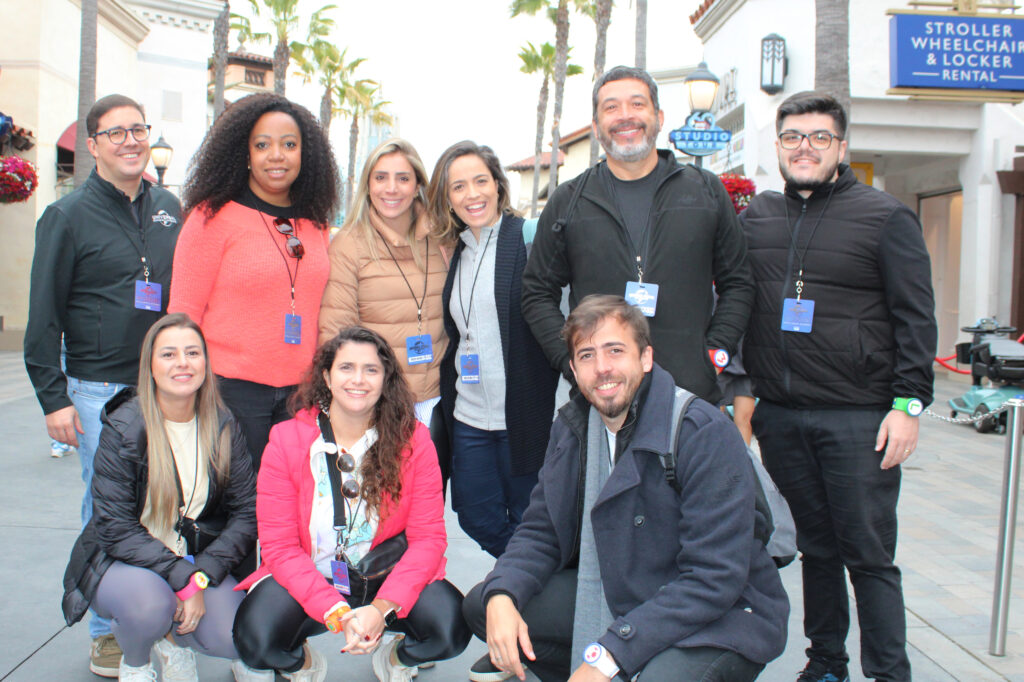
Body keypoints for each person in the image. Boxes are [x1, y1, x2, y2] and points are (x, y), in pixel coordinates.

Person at [463, 295, 789, 682]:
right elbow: (542, 530)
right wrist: (502, 594)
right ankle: (576, 663)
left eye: (615, 350)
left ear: (646, 358)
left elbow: (714, 578)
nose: (602, 368)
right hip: (625, 587)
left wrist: (609, 654)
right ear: (573, 368)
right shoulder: (573, 429)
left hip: (721, 611)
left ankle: (621, 665)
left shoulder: (701, 432)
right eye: (586, 355)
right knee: (483, 605)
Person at [741, 91, 937, 682]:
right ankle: (826, 663)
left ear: (842, 147)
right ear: (777, 146)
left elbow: (917, 318)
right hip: (782, 416)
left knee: (870, 558)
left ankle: (889, 674)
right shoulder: (758, 220)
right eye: (793, 137)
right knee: (818, 551)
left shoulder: (885, 216)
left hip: (860, 420)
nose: (805, 148)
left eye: (819, 137)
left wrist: (907, 404)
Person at [25, 93, 182, 676]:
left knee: (165, 507)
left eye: (138, 130)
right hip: (97, 391)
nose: (131, 141)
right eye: (115, 133)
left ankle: (155, 616)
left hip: (168, 389)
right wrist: (53, 397)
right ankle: (104, 629)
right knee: (107, 509)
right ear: (92, 146)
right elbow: (42, 314)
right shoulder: (65, 217)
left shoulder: (169, 207)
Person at [232, 326, 471, 682]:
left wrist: (379, 608)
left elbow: (428, 540)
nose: (358, 380)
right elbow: (279, 548)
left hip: (383, 576)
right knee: (255, 642)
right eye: (346, 368)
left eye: (371, 369)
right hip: (312, 574)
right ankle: (302, 663)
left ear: (386, 377)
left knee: (451, 629)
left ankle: (398, 658)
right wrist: (335, 611)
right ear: (326, 376)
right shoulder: (286, 441)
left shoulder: (415, 441)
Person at [521, 65, 754, 404]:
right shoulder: (569, 201)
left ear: (658, 116)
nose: (625, 116)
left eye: (637, 104)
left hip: (690, 395)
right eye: (611, 107)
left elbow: (739, 282)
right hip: (602, 399)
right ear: (597, 125)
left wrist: (715, 355)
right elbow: (536, 292)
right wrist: (574, 363)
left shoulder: (704, 191)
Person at [61, 313, 258, 682]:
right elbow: (115, 527)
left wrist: (200, 576)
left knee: (235, 636)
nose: (182, 363)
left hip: (192, 559)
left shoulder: (223, 425)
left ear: (205, 363)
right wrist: (183, 579)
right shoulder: (126, 427)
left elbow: (247, 514)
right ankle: (135, 660)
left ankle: (173, 642)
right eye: (168, 354)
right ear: (149, 366)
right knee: (151, 607)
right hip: (125, 560)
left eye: (192, 353)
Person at [169, 92, 340, 470]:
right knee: (237, 513)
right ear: (244, 153)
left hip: (303, 395)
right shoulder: (211, 217)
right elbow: (182, 317)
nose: (276, 155)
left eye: (289, 144)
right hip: (229, 392)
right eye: (262, 145)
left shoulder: (316, 223)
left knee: (289, 512)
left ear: (304, 153)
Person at [427, 140, 557, 553]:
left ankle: (518, 596)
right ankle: (518, 576)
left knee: (528, 516)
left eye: (481, 181)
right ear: (447, 199)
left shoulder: (527, 240)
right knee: (474, 514)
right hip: (468, 417)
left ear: (499, 186)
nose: (472, 194)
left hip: (520, 417)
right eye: (458, 187)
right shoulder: (460, 251)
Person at [318, 138, 448, 425]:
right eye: (381, 178)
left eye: (403, 178)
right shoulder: (349, 245)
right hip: (377, 403)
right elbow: (336, 333)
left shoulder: (441, 240)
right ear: (368, 185)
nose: (391, 188)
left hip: (437, 400)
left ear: (417, 186)